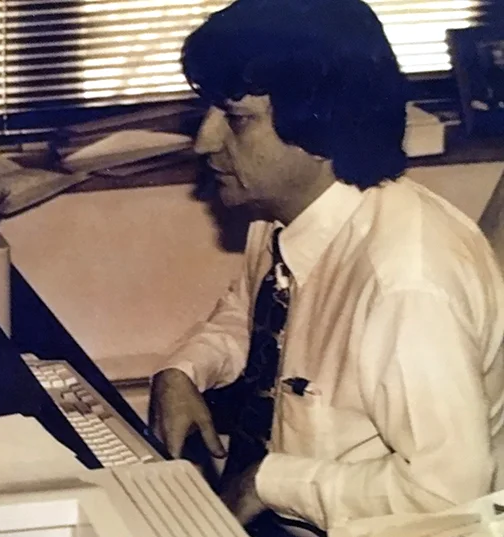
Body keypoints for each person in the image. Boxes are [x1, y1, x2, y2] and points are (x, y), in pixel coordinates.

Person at [148, 0, 504, 535]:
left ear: (319, 127)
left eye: (237, 119)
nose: (205, 140)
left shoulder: (407, 286)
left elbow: (446, 491)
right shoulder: (283, 216)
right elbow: (252, 313)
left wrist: (269, 482)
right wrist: (185, 370)